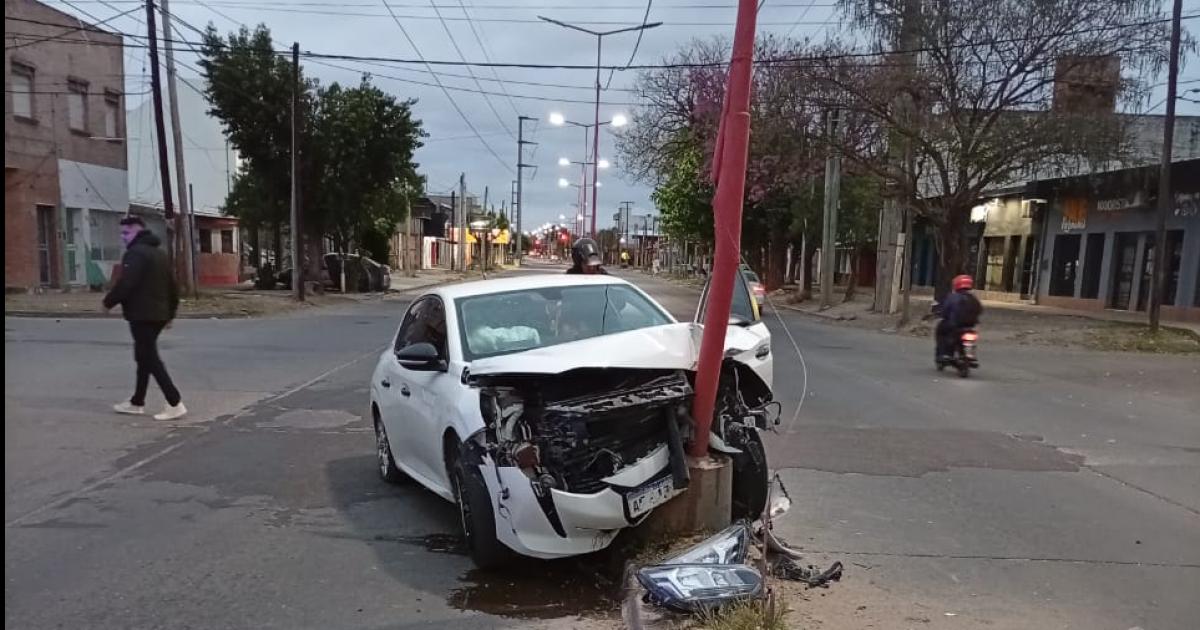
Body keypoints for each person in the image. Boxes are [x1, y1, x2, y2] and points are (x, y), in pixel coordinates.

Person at [104, 216, 187, 420]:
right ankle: (137, 402)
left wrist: (108, 301)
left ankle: (174, 402)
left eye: (126, 233)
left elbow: (127, 283)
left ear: (138, 231)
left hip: (142, 315)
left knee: (149, 358)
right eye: (122, 233)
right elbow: (173, 287)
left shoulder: (136, 254)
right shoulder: (159, 254)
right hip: (157, 314)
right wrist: (170, 314)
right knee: (143, 357)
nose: (123, 238)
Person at [936, 274, 983, 361]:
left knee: (941, 330)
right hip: (971, 326)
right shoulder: (973, 298)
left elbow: (945, 310)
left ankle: (944, 353)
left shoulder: (953, 297)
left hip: (954, 325)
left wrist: (942, 314)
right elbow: (980, 310)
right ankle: (969, 353)